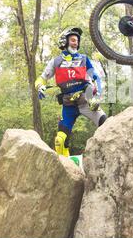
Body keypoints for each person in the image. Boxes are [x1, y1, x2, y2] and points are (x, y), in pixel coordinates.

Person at [35, 27, 107, 157]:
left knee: (106, 124)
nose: (76, 43)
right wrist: (40, 86)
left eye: (77, 41)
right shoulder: (56, 61)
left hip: (86, 101)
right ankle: (66, 167)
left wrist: (98, 92)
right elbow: (42, 78)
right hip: (68, 105)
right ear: (64, 41)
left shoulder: (84, 59)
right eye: (73, 40)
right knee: (60, 141)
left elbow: (95, 76)